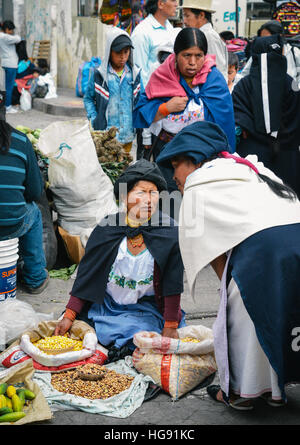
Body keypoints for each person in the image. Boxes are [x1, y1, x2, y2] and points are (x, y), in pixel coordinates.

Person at [156, 120, 300, 410]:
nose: (174, 177)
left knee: (241, 311)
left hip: (264, 254)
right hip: (295, 240)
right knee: (285, 314)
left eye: (176, 166)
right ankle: (274, 390)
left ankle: (240, 393)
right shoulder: (250, 166)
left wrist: (229, 293)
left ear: (195, 159)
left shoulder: (198, 185)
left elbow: (212, 255)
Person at [54, 159, 186, 360]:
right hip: (107, 307)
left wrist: (170, 325)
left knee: (143, 333)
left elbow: (172, 282)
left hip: (146, 309)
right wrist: (69, 315)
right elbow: (87, 276)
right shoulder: (106, 229)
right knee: (89, 330)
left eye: (153, 193)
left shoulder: (169, 233)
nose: (148, 200)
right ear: (125, 196)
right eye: (141, 192)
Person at [133, 27, 235, 204]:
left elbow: (224, 123)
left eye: (199, 55)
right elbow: (142, 112)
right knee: (169, 202)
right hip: (166, 154)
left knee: (199, 202)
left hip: (202, 157)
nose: (193, 62)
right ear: (176, 54)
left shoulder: (214, 80)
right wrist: (166, 107)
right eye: (186, 55)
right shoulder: (162, 76)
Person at [232, 35, 300, 198]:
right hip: (286, 155)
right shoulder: (292, 84)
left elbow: (238, 115)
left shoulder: (243, 85)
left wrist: (254, 132)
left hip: (253, 158)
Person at [0, 92, 49, 294]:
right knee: (35, 212)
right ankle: (35, 278)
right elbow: (35, 191)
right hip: (12, 224)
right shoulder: (20, 140)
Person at [131, 0, 180, 155]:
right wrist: (146, 128)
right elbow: (140, 78)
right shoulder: (142, 32)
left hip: (170, 110)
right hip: (150, 110)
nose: (176, 4)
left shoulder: (170, 30)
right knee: (144, 165)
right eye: (173, 0)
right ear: (160, 3)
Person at [84, 27, 143, 154]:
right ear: (109, 52)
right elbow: (88, 98)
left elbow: (141, 99)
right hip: (106, 137)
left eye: (126, 52)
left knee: (124, 168)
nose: (122, 57)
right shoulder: (99, 75)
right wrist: (94, 118)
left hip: (127, 136)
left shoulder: (134, 75)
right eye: (118, 53)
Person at [239, 20, 300, 89]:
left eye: (268, 38)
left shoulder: (293, 52)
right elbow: (244, 76)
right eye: (262, 39)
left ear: (279, 37)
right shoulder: (259, 54)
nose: (265, 42)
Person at [181, 0, 228, 81]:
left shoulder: (209, 36)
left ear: (201, 15)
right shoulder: (200, 34)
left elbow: (219, 69)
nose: (184, 21)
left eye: (187, 16)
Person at [0, 20, 21, 113]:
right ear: (7, 29)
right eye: (11, 30)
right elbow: (18, 39)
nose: (12, 32)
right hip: (11, 64)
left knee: (4, 87)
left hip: (4, 63)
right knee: (9, 87)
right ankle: (7, 106)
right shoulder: (5, 37)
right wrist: (16, 36)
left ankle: (4, 105)